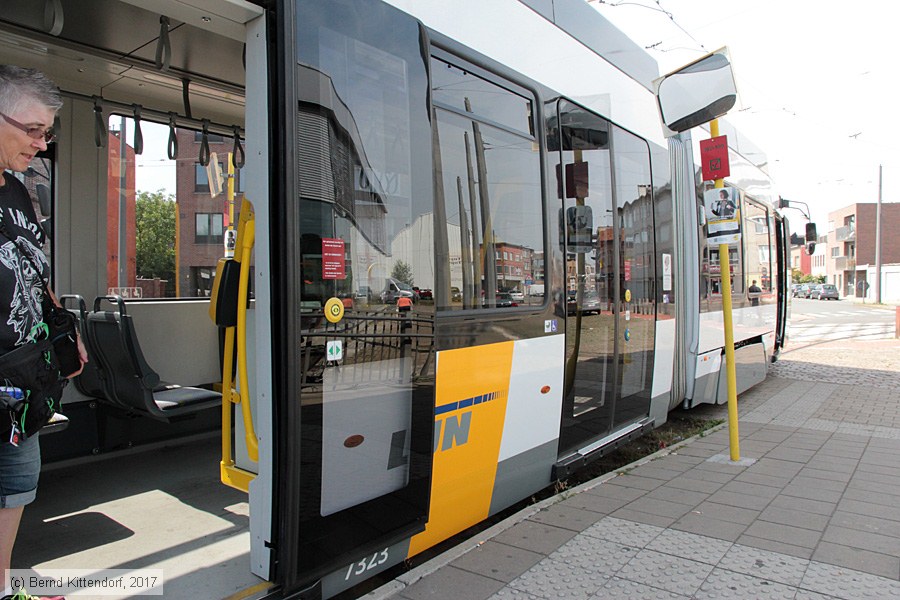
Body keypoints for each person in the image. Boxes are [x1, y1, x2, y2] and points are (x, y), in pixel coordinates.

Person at [0, 65, 87, 599]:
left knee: (13, 491)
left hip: (23, 381)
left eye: (47, 132)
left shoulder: (17, 190)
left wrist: (61, 328)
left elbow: (34, 269)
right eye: (32, 129)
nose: (41, 143)